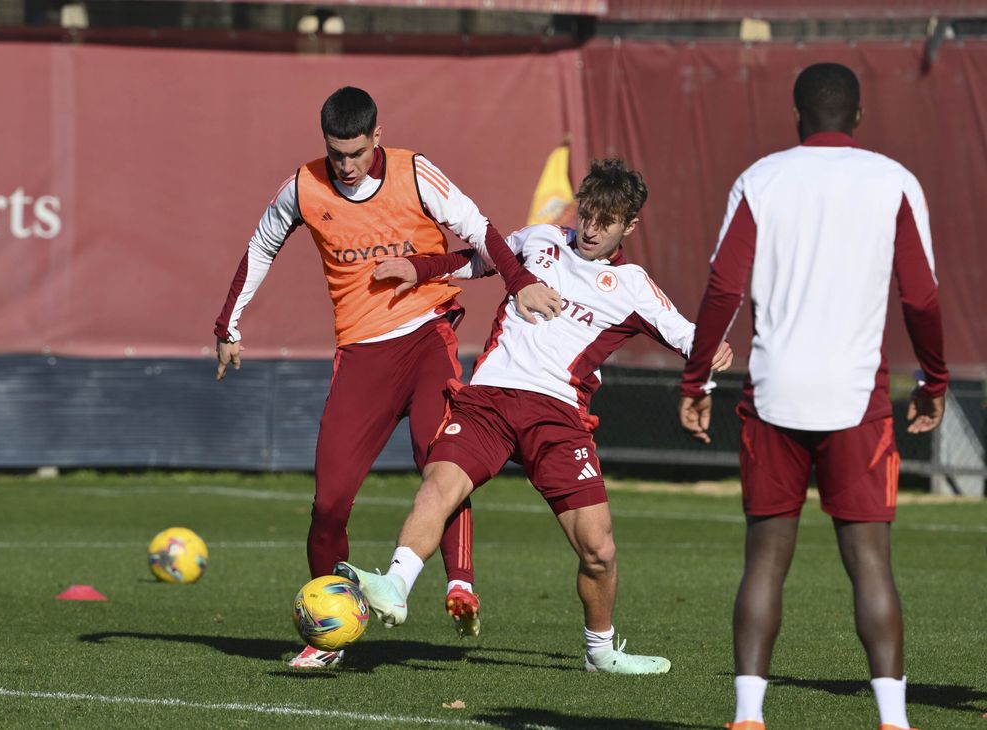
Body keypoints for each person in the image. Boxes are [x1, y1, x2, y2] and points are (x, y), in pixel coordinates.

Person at [334, 158, 733, 674]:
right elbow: (475, 261)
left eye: (605, 221)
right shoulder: (540, 238)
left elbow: (690, 337)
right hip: (490, 401)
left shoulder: (633, 286)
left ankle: (601, 651)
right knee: (438, 482)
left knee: (599, 551)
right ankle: (395, 584)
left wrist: (713, 349)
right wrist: (419, 268)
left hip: (558, 418)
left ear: (628, 226)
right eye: (587, 214)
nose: (591, 229)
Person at [213, 86, 562, 668]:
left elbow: (481, 231)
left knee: (443, 460)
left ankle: (460, 585)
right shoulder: (303, 186)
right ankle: (330, 631)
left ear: (377, 137)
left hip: (428, 336)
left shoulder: (416, 172)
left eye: (355, 152)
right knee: (328, 505)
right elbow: (260, 247)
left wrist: (520, 281)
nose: (345, 166)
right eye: (335, 153)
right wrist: (229, 324)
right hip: (362, 356)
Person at [677, 63, 947, 730]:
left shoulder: (760, 179)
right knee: (870, 563)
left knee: (766, 558)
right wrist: (934, 381)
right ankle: (893, 721)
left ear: (797, 114)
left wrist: (694, 381)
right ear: (857, 117)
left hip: (772, 394)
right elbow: (922, 297)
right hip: (859, 398)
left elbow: (721, 290)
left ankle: (747, 717)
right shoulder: (893, 181)